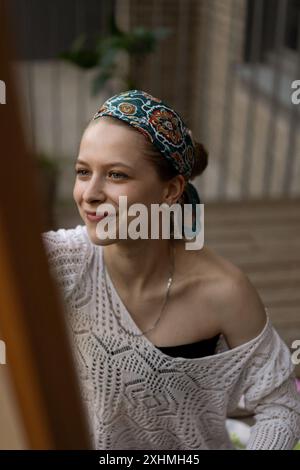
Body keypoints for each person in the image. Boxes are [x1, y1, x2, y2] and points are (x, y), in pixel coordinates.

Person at [42, 90, 300, 450]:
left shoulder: (223, 291)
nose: (90, 193)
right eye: (83, 172)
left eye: (116, 175)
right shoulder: (63, 261)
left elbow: (280, 404)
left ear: (171, 190)